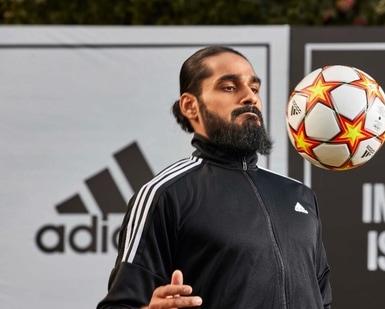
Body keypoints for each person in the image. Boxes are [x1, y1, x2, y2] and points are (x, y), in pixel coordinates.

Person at [97, 45, 332, 309]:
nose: (249, 98)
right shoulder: (165, 195)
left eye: (254, 88)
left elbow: (322, 300)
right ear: (190, 106)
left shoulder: (298, 195)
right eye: (229, 87)